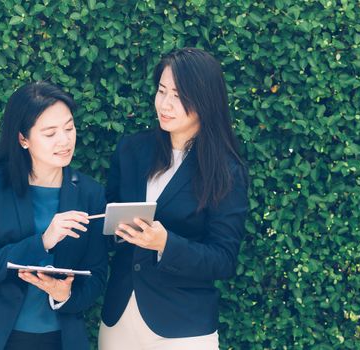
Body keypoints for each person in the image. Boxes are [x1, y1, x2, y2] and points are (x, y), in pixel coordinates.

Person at [98, 48, 249, 349]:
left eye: (179, 96)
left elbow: (223, 260)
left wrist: (166, 244)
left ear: (205, 100)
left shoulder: (226, 170)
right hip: (119, 317)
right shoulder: (131, 150)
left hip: (184, 326)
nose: (165, 104)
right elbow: (107, 225)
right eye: (161, 91)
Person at [0, 81, 107, 350]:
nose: (65, 141)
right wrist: (42, 241)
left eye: (69, 128)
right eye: (50, 133)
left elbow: (97, 275)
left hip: (59, 339)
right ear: (23, 139)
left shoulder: (90, 192)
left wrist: (64, 295)